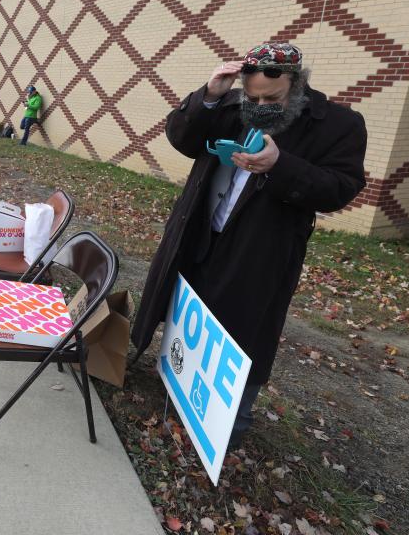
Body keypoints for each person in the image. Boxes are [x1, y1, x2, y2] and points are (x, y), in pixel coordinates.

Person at [132, 43, 368, 448]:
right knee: (187, 316)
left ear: (297, 85)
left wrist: (281, 166)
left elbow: (340, 188)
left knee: (241, 335)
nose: (260, 105)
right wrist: (209, 94)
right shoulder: (230, 105)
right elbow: (181, 136)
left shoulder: (337, 124)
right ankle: (177, 392)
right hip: (200, 232)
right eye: (253, 95)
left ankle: (226, 429)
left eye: (271, 99)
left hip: (259, 251)